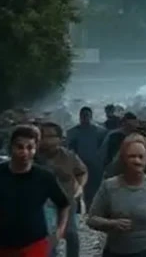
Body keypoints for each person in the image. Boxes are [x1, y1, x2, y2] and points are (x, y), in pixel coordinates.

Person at [87, 134, 146, 257]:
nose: (137, 161)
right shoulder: (109, 187)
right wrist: (112, 224)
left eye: (141, 157)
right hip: (116, 252)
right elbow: (92, 219)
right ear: (123, 159)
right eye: (132, 156)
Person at [0, 125, 71, 257]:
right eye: (19, 147)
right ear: (11, 147)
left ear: (35, 149)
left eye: (30, 148)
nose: (24, 152)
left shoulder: (44, 177)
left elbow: (64, 204)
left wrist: (59, 232)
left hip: (35, 245)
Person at [35, 123, 87, 257]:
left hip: (67, 201)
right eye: (44, 136)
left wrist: (80, 187)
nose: (47, 139)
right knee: (50, 234)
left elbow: (82, 171)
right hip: (44, 203)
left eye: (51, 136)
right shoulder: (33, 155)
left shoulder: (69, 156)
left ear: (60, 139)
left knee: (71, 234)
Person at [66, 106, 108, 207]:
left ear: (91, 116)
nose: (85, 118)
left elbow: (105, 149)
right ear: (80, 117)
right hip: (78, 164)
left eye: (87, 116)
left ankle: (92, 208)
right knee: (78, 188)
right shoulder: (73, 132)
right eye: (83, 116)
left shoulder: (101, 132)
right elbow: (69, 149)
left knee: (94, 189)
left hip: (96, 165)